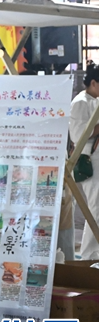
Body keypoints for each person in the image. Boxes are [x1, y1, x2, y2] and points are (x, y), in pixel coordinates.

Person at [69, 62, 99, 260]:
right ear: (94, 83)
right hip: (88, 161)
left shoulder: (94, 100)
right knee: (95, 208)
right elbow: (79, 134)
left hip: (95, 159)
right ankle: (89, 254)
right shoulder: (81, 102)